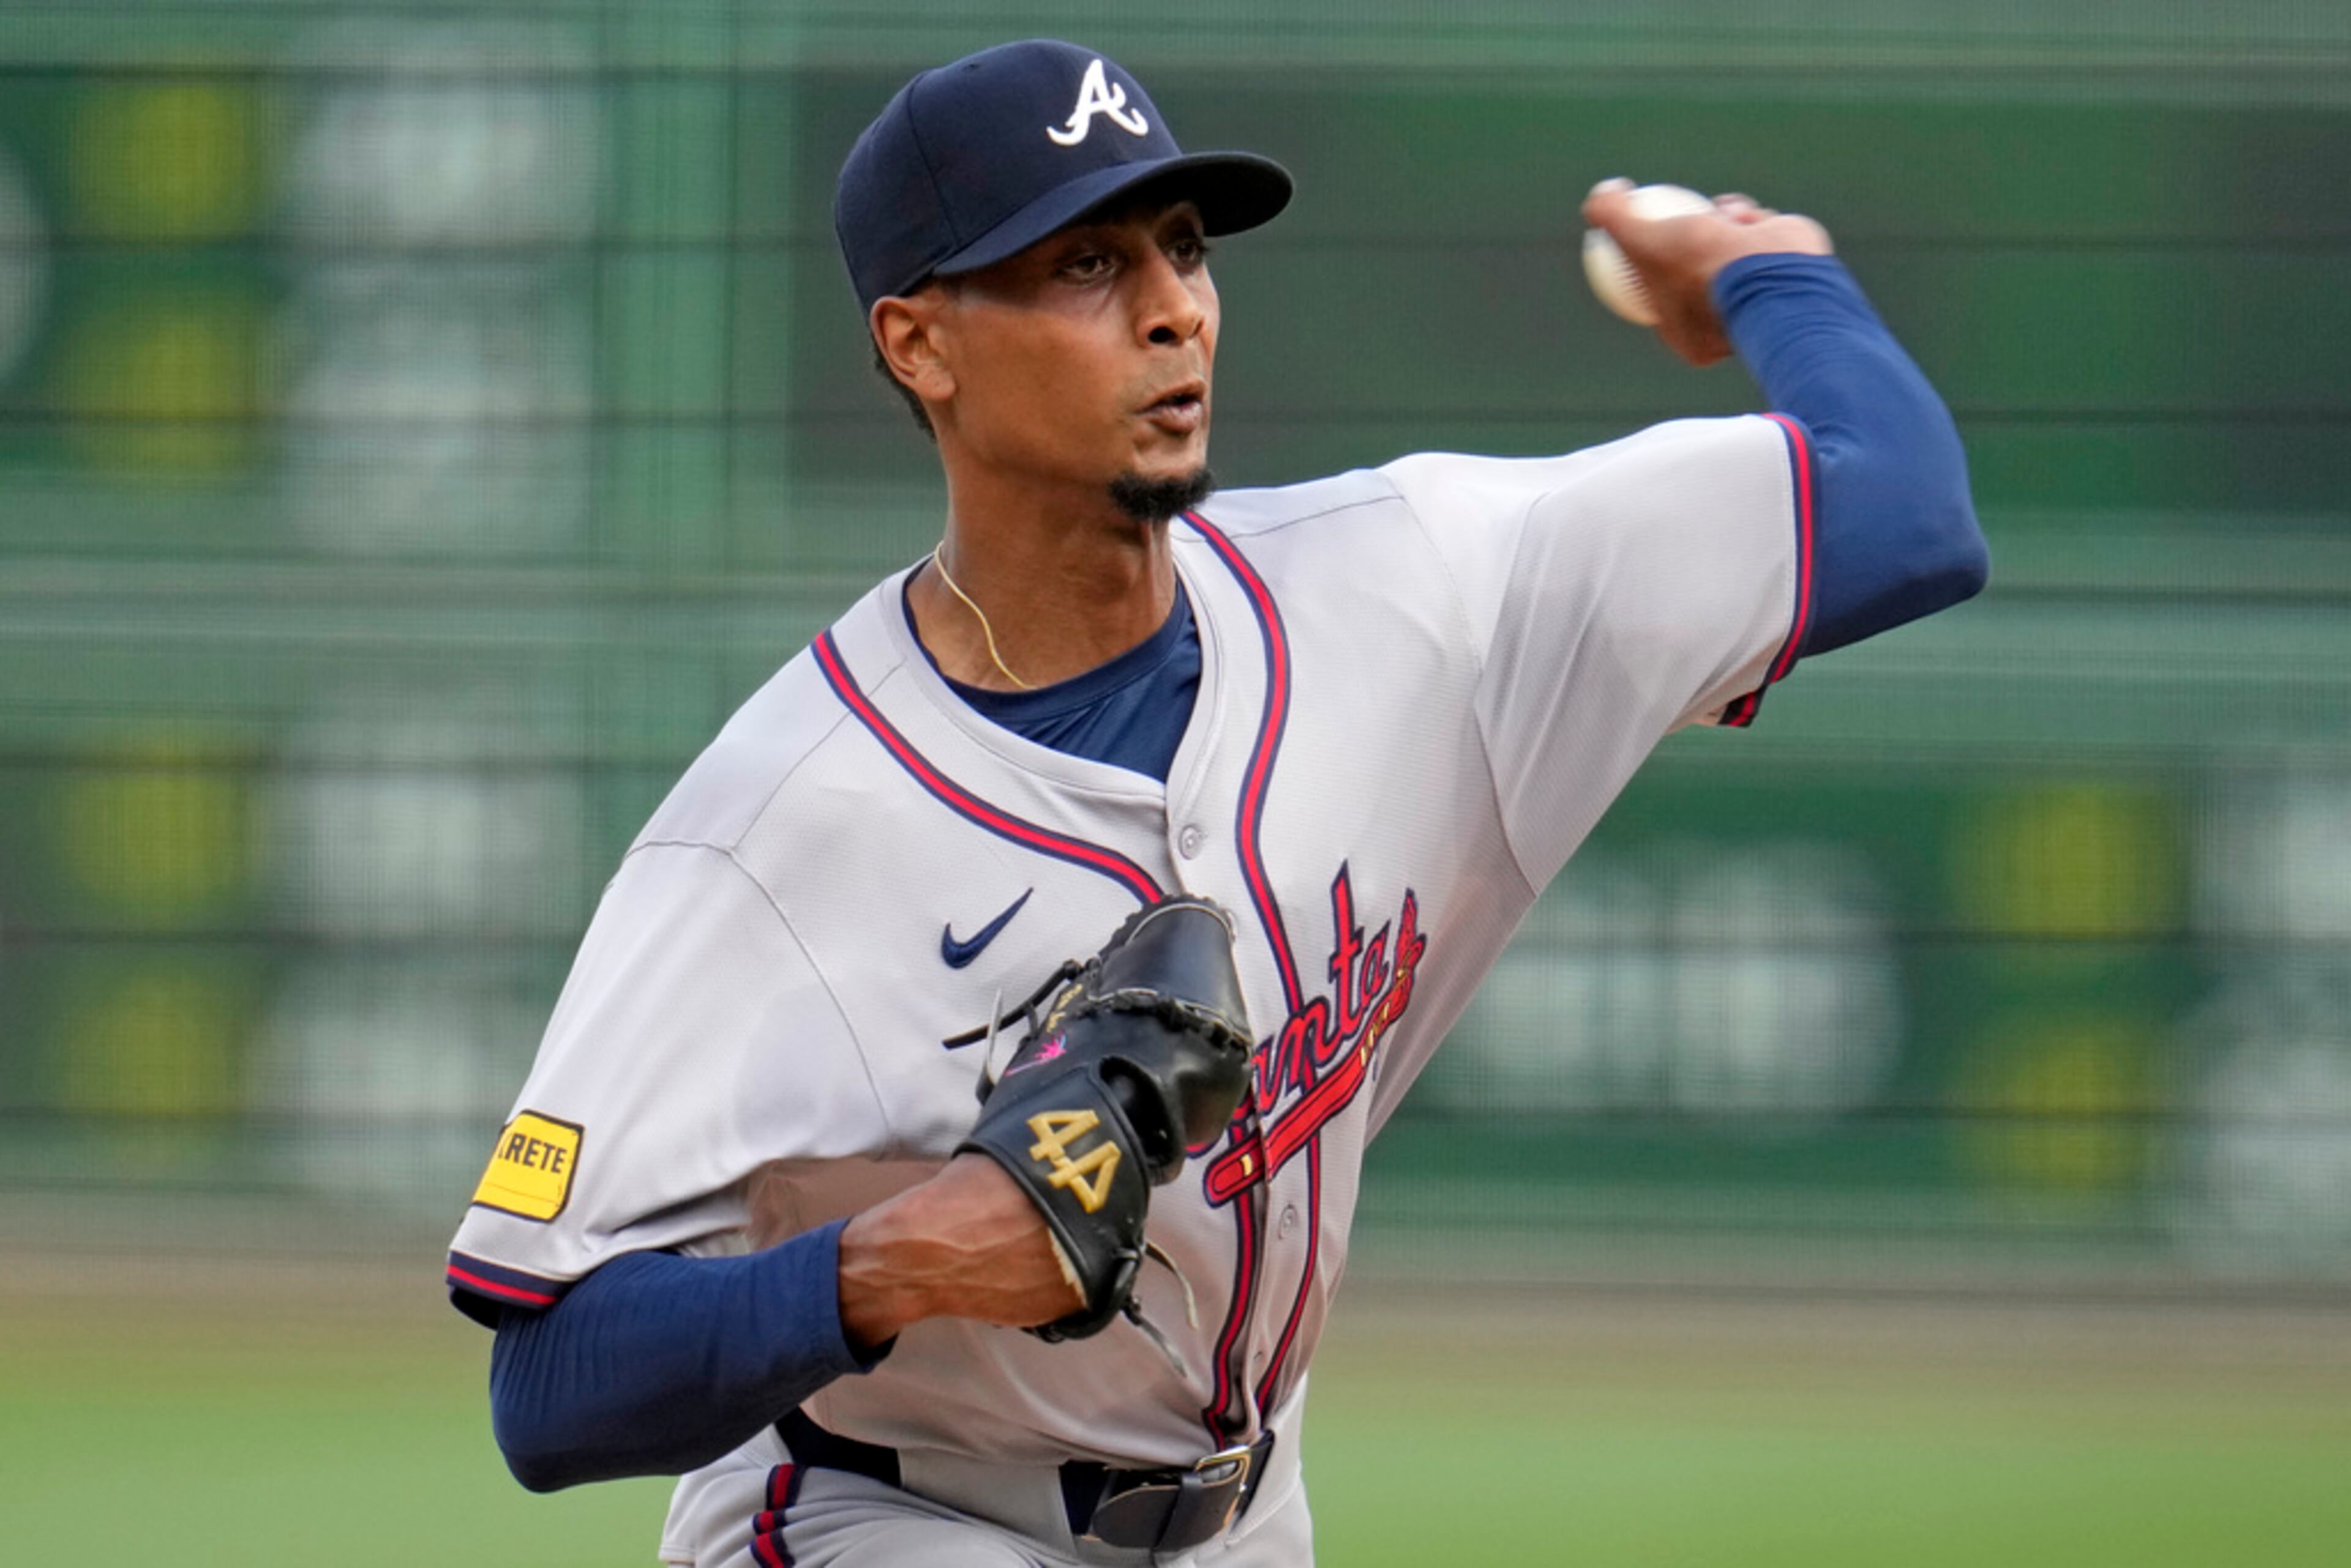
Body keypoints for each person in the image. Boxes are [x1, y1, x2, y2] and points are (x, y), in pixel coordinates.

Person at [443, 37, 1987, 1568]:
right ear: (920, 345)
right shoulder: (776, 832)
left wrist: (1766, 273)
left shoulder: (1422, 589)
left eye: (1183, 250)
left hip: (1250, 1518)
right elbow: (547, 1384)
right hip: (890, 1515)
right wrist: (894, 1262)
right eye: (1085, 265)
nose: (1174, 307)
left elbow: (1902, 510)